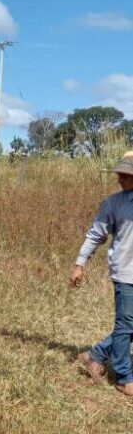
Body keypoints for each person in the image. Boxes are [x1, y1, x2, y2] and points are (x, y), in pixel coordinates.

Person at [70, 151, 133, 398]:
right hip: (126, 272)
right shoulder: (113, 203)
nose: (120, 179)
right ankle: (124, 377)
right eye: (119, 174)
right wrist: (79, 263)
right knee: (126, 325)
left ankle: (95, 354)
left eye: (126, 175)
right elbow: (96, 234)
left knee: (128, 327)